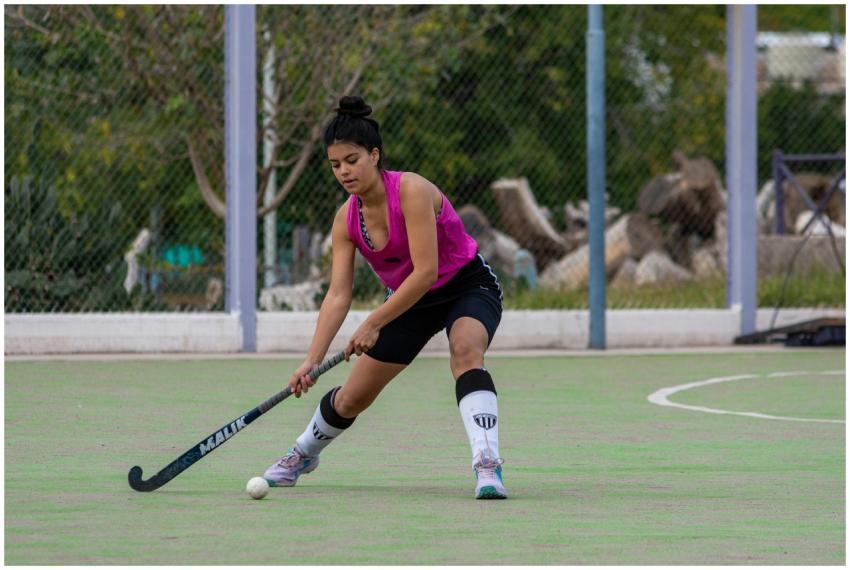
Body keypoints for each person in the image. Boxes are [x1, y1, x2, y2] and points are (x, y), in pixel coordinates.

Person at [264, 95, 507, 499]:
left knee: (466, 351)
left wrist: (374, 321)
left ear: (374, 155)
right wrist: (311, 359)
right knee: (353, 396)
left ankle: (487, 464)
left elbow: (426, 271)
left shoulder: (411, 190)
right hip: (410, 300)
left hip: (466, 286)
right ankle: (303, 454)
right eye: (335, 164)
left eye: (352, 160)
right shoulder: (346, 219)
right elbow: (338, 295)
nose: (344, 171)